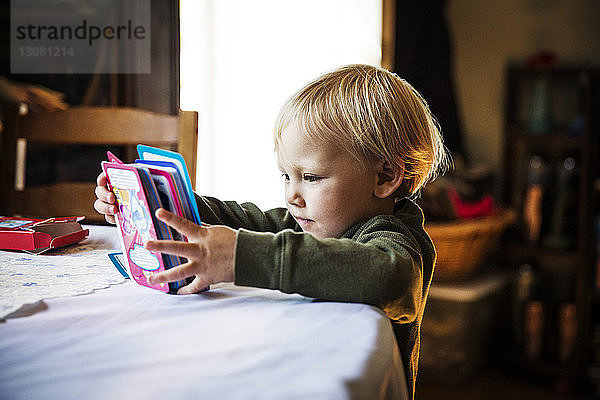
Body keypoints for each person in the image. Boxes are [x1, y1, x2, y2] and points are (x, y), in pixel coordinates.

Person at [94, 64, 449, 398]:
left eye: (311, 177)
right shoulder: (324, 221)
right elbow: (248, 219)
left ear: (385, 177)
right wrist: (165, 202)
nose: (292, 195)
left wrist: (239, 256)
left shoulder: (395, 235)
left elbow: (390, 277)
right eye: (287, 176)